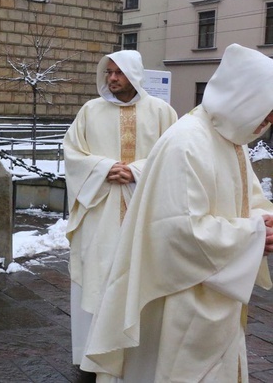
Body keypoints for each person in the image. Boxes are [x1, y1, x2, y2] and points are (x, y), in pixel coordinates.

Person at [82, 44, 273, 382]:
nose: (270, 119)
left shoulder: (230, 139)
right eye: (267, 109)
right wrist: (253, 234)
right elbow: (181, 232)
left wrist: (264, 220)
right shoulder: (188, 142)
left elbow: (249, 196)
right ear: (244, 99)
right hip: (183, 300)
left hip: (217, 297)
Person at [63, 49, 177, 375]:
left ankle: (139, 357)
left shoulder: (162, 113)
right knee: (98, 281)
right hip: (100, 217)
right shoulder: (90, 111)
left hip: (145, 215)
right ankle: (94, 355)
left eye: (118, 73)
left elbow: (174, 158)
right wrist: (101, 169)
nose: (111, 78)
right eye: (108, 73)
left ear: (135, 75)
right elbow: (72, 153)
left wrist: (137, 171)